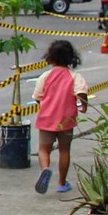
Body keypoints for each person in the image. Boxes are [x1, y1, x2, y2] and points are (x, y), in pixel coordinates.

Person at [32, 40, 89, 195]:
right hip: (66, 120)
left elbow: (38, 97)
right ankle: (62, 183)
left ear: (50, 57)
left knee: (44, 150)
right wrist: (84, 105)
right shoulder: (74, 76)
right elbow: (81, 92)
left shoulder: (45, 76)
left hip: (46, 119)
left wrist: (45, 105)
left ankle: (45, 169)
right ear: (71, 58)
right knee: (64, 151)